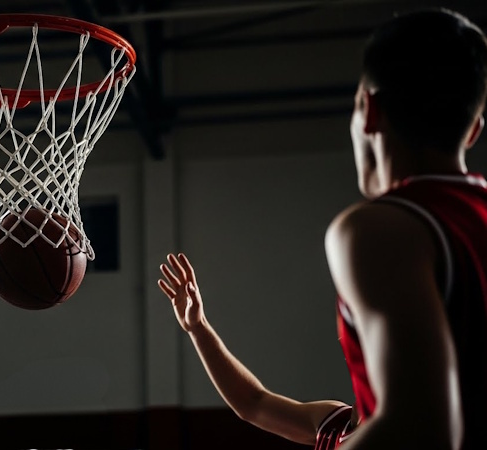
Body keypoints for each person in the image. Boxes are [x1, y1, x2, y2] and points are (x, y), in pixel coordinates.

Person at [158, 8, 487, 450]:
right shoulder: (341, 423)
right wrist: (199, 328)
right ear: (473, 131)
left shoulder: (381, 229)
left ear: (369, 111)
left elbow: (421, 428)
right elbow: (254, 404)